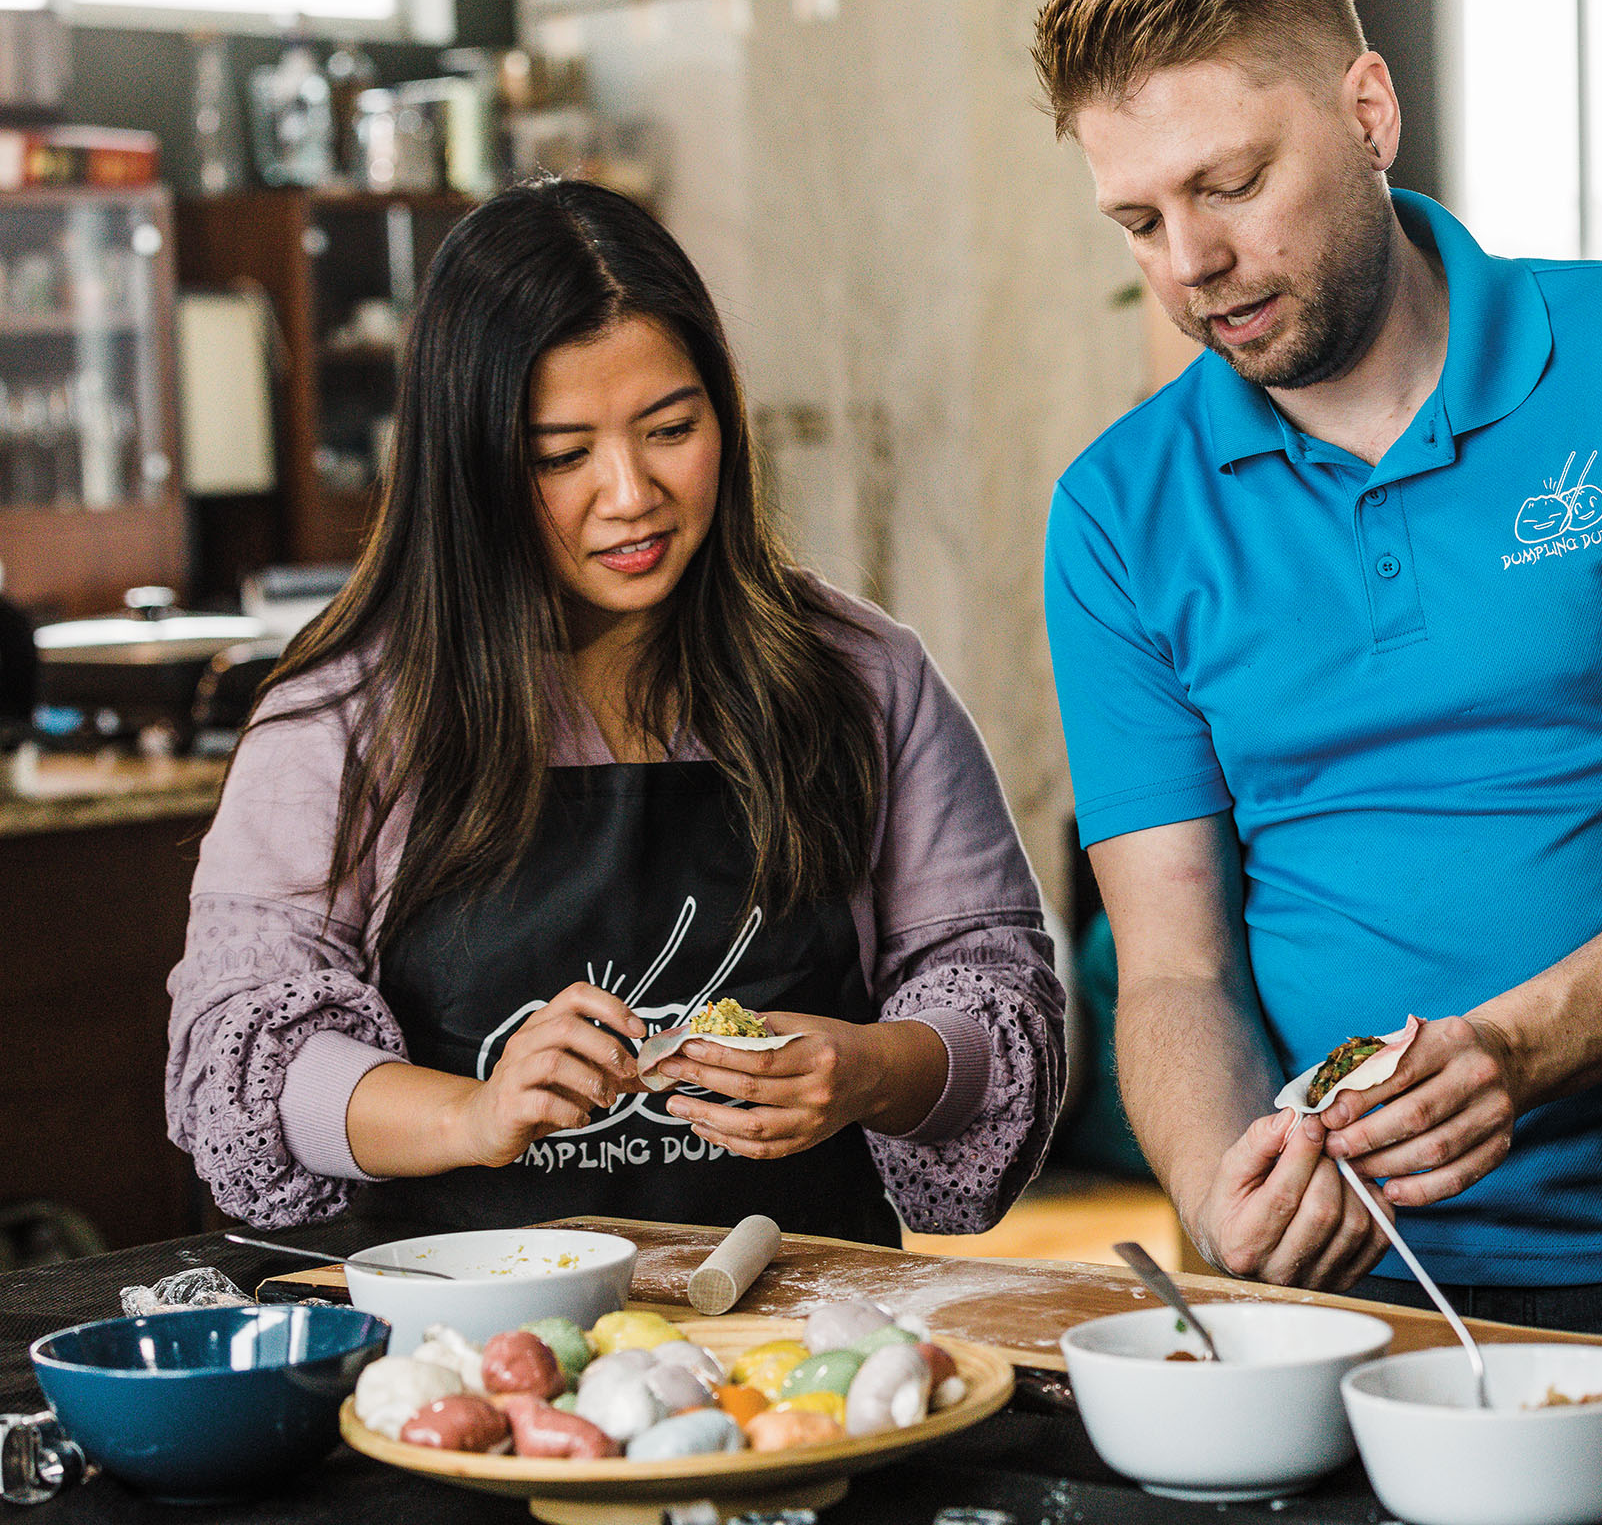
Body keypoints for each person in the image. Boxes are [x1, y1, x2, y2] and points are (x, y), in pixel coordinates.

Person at [1035, 0, 1602, 1345]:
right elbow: (1172, 965)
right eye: (1140, 221)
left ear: (1368, 111)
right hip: (1339, 1288)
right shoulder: (1117, 511)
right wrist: (1222, 1192)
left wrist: (1517, 1050)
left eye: (1230, 183)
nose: (1193, 264)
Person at [167, 180, 1064, 1239]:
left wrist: (871, 1069)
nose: (631, 491)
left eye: (670, 428)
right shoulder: (346, 720)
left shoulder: (865, 679)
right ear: (469, 465)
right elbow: (238, 1061)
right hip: (465, 1352)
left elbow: (998, 1004)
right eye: (561, 455)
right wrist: (474, 1112)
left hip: (803, 1362)